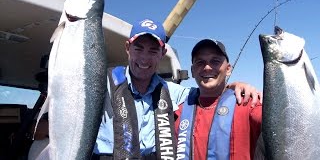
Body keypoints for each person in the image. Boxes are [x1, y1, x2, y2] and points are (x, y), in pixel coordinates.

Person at [31, 19, 261, 159]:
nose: (144, 58)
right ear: (127, 49)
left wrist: (235, 85)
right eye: (139, 48)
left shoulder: (175, 93)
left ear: (162, 55)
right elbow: (51, 121)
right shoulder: (100, 85)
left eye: (153, 51)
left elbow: (209, 91)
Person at [174, 39, 262, 160]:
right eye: (200, 62)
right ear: (193, 71)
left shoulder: (249, 104)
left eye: (215, 61)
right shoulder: (178, 112)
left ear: (228, 69)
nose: (207, 67)